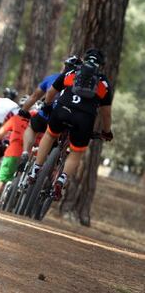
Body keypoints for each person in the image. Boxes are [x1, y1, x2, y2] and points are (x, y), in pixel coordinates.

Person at [28, 48, 113, 201]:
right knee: (77, 151)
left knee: (50, 134)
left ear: (85, 59)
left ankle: (36, 168)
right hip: (84, 120)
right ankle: (61, 180)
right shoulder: (104, 83)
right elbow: (106, 113)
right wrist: (107, 131)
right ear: (102, 65)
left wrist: (47, 105)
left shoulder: (71, 72)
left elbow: (52, 92)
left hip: (62, 110)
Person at [17, 56, 82, 171]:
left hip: (46, 114)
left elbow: (35, 96)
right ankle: (48, 175)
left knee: (32, 127)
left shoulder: (53, 78)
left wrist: (24, 110)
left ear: (65, 67)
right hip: (65, 120)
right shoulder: (81, 86)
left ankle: (25, 152)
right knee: (57, 144)